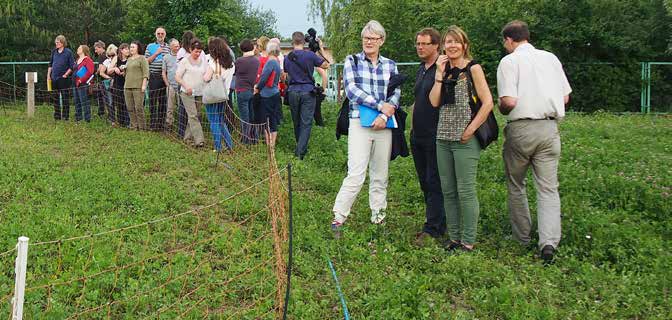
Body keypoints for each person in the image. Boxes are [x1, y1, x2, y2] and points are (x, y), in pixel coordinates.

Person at [497, 20, 571, 262]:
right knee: (548, 187)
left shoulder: (509, 62)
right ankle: (549, 242)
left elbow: (508, 101)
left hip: (522, 128)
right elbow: (566, 97)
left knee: (516, 184)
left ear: (509, 40)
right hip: (549, 128)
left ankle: (523, 237)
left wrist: (501, 107)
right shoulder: (550, 58)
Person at [331, 20, 400, 235]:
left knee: (380, 173)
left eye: (373, 38)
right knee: (356, 172)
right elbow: (352, 90)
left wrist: (386, 113)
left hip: (384, 124)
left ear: (381, 40)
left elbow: (396, 92)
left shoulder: (390, 65)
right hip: (359, 121)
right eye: (366, 38)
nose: (369, 42)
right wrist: (381, 106)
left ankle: (378, 217)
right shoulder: (352, 60)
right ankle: (339, 218)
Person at [428, 26, 494, 252]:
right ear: (443, 46)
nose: (452, 45)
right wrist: (438, 74)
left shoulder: (473, 68)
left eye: (457, 42)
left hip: (466, 139)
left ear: (464, 45)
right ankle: (454, 238)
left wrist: (470, 130)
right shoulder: (444, 70)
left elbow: (487, 103)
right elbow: (434, 102)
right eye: (448, 42)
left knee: (465, 190)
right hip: (443, 137)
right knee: (448, 190)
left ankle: (468, 240)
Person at [410, 28, 446, 245]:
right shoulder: (422, 69)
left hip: (436, 134)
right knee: (425, 181)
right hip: (418, 135)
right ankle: (437, 222)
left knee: (435, 181)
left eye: (425, 44)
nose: (420, 48)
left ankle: (433, 228)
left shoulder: (443, 69)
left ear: (436, 45)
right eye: (418, 44)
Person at [284, 31, 329, 159]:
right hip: (308, 91)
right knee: (306, 122)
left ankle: (300, 146)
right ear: (304, 42)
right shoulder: (310, 55)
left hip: (293, 91)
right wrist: (319, 49)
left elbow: (285, 75)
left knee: (296, 121)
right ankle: (300, 152)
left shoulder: (287, 57)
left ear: (292, 42)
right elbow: (326, 65)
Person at [203, 37, 235, 151]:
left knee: (213, 121)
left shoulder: (213, 63)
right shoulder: (231, 63)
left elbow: (206, 78)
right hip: (224, 95)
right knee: (221, 121)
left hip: (213, 95)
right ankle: (229, 144)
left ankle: (218, 147)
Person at [175, 38, 207, 147]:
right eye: (196, 51)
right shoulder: (184, 61)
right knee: (193, 115)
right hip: (187, 93)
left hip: (199, 92)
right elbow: (177, 77)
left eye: (200, 51)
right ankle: (200, 140)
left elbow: (205, 75)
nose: (198, 53)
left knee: (196, 115)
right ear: (190, 49)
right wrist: (186, 85)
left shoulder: (203, 62)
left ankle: (187, 137)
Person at [255, 42, 282, 147]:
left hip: (267, 94)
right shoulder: (277, 61)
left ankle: (269, 144)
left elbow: (264, 77)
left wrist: (257, 88)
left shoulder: (270, 62)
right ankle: (272, 144)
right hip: (275, 92)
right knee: (273, 118)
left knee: (266, 120)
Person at [234, 39, 260, 143]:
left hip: (241, 90)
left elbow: (234, 72)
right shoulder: (256, 60)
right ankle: (254, 137)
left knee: (244, 117)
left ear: (241, 48)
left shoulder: (239, 61)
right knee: (251, 115)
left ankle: (245, 139)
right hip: (251, 90)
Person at [145, 27, 170, 131]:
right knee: (153, 101)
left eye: (162, 33)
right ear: (155, 34)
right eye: (158, 33)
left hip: (164, 77)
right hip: (154, 76)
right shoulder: (150, 46)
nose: (160, 35)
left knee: (163, 101)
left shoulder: (169, 47)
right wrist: (156, 53)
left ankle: (161, 123)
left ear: (165, 35)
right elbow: (146, 61)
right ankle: (153, 123)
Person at [47, 35, 75, 121]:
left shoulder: (68, 52)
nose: (56, 44)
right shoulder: (54, 52)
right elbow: (50, 64)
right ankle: (57, 116)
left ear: (62, 43)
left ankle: (66, 116)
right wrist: (48, 75)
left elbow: (72, 66)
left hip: (64, 79)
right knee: (55, 98)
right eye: (55, 42)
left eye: (58, 42)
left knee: (65, 97)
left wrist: (66, 75)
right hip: (54, 78)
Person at [124, 41, 149, 130]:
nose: (131, 49)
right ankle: (134, 126)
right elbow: (127, 73)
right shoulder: (129, 59)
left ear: (138, 48)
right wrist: (122, 70)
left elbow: (146, 73)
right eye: (130, 47)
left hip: (138, 86)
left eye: (133, 47)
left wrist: (143, 85)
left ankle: (142, 127)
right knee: (130, 107)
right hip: (127, 86)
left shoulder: (142, 58)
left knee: (138, 108)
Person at [109, 43, 130, 127]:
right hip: (117, 84)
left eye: (129, 49)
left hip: (127, 83)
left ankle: (128, 121)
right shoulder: (116, 58)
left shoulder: (130, 59)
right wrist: (115, 68)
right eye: (126, 49)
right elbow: (108, 70)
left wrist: (124, 72)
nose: (128, 50)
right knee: (119, 103)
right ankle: (121, 121)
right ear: (121, 50)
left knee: (127, 103)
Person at [73, 45, 95, 122]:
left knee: (84, 101)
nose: (77, 49)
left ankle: (87, 119)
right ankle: (78, 118)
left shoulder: (88, 60)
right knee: (77, 101)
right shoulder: (77, 60)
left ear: (83, 50)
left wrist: (80, 80)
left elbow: (89, 72)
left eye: (79, 48)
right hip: (75, 83)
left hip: (83, 84)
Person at [162, 38, 180, 131]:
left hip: (181, 86)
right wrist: (167, 84)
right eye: (175, 46)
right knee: (170, 107)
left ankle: (182, 124)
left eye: (178, 45)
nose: (178, 47)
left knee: (182, 106)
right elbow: (163, 72)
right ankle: (169, 124)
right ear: (170, 47)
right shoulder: (166, 57)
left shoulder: (182, 56)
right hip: (171, 86)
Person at [93, 40, 110, 118]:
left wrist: (96, 72)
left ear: (100, 48)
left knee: (103, 97)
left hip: (103, 79)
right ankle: (105, 113)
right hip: (108, 78)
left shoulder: (101, 56)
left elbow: (100, 69)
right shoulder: (108, 54)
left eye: (96, 49)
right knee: (107, 97)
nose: (95, 51)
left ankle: (103, 113)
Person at [102, 44, 117, 123]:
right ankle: (112, 119)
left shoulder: (119, 60)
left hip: (119, 83)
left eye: (113, 55)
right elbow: (101, 72)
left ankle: (122, 119)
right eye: (109, 55)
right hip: (109, 84)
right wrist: (109, 78)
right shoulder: (106, 61)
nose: (111, 57)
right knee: (110, 102)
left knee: (119, 101)